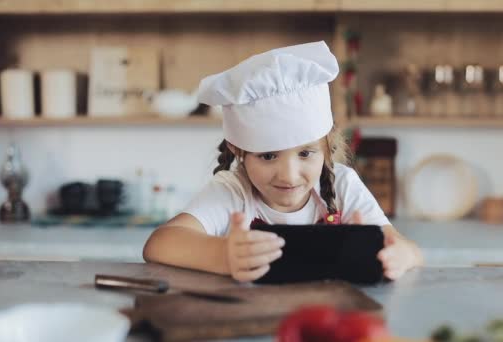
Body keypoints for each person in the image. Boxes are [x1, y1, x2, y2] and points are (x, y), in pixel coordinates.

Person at [143, 41, 423, 282]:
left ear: (327, 148)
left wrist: (399, 256)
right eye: (267, 156)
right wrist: (224, 256)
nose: (288, 176)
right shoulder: (232, 191)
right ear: (238, 150)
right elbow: (159, 244)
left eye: (305, 153)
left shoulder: (344, 185)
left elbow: (408, 248)